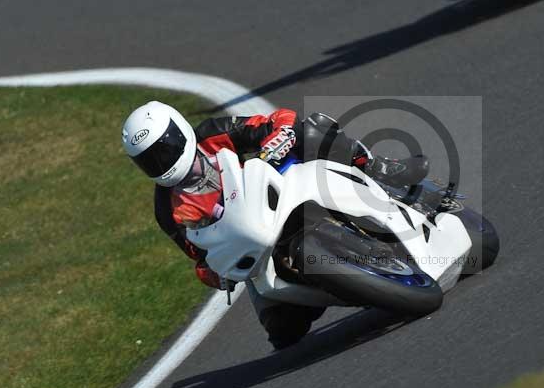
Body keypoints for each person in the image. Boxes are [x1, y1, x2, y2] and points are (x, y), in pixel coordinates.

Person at [121, 101, 428, 349]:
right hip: (256, 241)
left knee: (312, 131)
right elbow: (199, 258)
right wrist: (219, 274)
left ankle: (381, 168)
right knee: (283, 333)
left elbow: (277, 120)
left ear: (180, 132)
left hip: (281, 186)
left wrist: (278, 138)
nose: (162, 162)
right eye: (151, 160)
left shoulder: (212, 134)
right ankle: (343, 284)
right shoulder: (168, 210)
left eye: (165, 149)